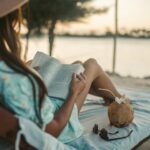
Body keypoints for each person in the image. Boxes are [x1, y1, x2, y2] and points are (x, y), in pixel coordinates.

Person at [0, 0, 124, 144]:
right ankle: (119, 98)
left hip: (43, 103)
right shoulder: (13, 81)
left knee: (77, 66)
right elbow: (53, 130)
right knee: (91, 64)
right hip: (61, 121)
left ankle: (108, 96)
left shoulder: (7, 72)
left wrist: (27, 74)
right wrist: (73, 93)